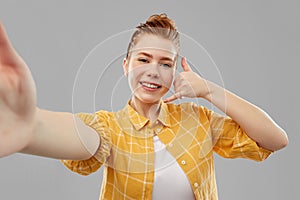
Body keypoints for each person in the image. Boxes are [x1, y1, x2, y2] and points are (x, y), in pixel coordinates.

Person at [0, 13, 288, 200]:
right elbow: (82, 139)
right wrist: (31, 127)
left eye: (166, 64)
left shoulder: (198, 120)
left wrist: (210, 90)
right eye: (143, 59)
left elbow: (276, 140)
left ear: (176, 71)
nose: (154, 71)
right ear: (126, 65)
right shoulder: (110, 128)